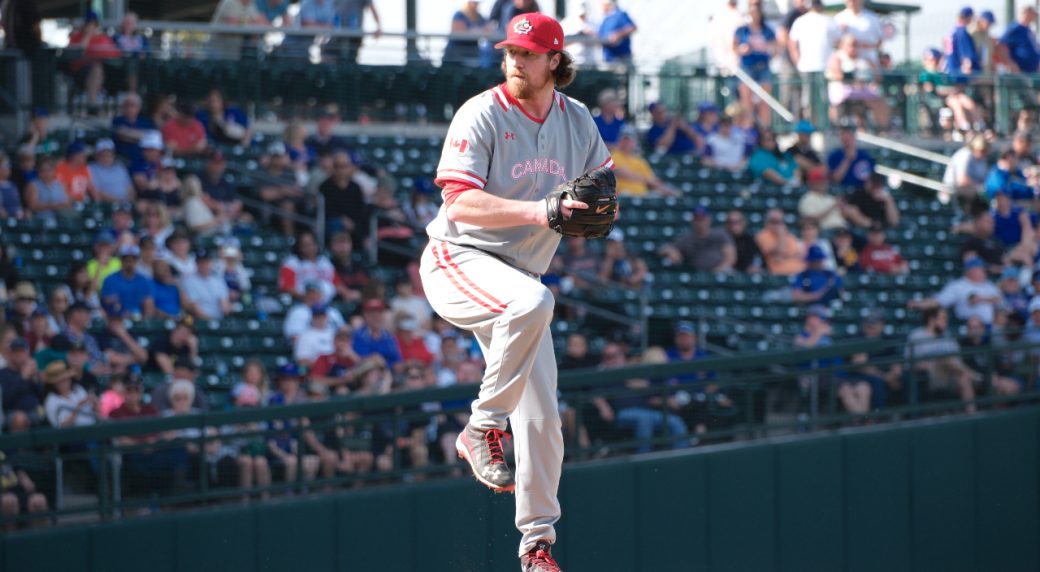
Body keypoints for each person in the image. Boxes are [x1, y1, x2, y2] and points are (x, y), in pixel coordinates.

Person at [418, 13, 614, 570]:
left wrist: (598, 205)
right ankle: (481, 427)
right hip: (459, 258)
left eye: (527, 53)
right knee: (534, 303)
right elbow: (459, 202)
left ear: (554, 59)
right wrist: (542, 210)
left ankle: (536, 546)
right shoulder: (481, 111)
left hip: (520, 279)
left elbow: (603, 182)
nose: (515, 60)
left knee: (544, 418)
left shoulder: (577, 119)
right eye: (510, 51)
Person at [906, 307, 980, 411]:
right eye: (943, 318)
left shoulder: (947, 336)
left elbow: (957, 361)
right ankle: (976, 377)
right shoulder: (917, 336)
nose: (946, 322)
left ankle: (972, 415)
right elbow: (909, 364)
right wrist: (930, 364)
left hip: (950, 376)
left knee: (963, 379)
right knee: (944, 359)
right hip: (929, 377)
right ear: (932, 320)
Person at [909, 258, 1001, 326]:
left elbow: (999, 299)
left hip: (990, 326)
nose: (984, 271)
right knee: (974, 323)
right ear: (971, 270)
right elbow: (939, 301)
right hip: (967, 325)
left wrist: (981, 299)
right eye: (981, 269)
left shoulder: (989, 285)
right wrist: (919, 304)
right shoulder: (958, 286)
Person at [825, 35, 890, 129]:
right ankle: (835, 127)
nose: (853, 47)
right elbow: (836, 75)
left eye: (856, 45)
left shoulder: (865, 58)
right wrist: (853, 81)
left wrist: (872, 83)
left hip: (863, 89)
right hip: (843, 89)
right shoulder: (837, 56)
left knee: (879, 101)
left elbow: (877, 76)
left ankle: (882, 128)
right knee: (837, 102)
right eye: (850, 45)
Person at [788, 0, 838, 117]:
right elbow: (792, 44)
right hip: (810, 67)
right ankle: (813, 124)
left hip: (823, 67)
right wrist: (799, 62)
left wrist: (798, 63)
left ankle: (820, 124)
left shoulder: (827, 21)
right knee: (811, 100)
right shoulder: (802, 21)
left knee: (821, 100)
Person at [67, 11, 120, 113]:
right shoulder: (76, 37)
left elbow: (115, 54)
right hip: (80, 72)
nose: (90, 27)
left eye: (93, 24)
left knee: (99, 68)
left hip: (105, 73)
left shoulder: (103, 38)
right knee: (96, 69)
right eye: (88, 24)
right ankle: (92, 105)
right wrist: (87, 37)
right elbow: (75, 53)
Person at [734, 2, 777, 126]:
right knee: (747, 101)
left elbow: (775, 49)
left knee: (765, 100)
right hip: (747, 67)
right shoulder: (742, 30)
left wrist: (766, 49)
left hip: (763, 66)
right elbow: (734, 47)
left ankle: (764, 127)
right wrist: (742, 50)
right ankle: (747, 126)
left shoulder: (767, 30)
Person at [658, 207, 735, 273]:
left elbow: (731, 257)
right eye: (697, 219)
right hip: (697, 275)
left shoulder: (720, 234)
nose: (700, 222)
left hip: (721, 272)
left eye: (702, 219)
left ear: (709, 219)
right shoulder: (687, 239)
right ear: (693, 221)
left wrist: (719, 270)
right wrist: (670, 251)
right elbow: (663, 249)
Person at [611, 127, 678, 197]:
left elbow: (653, 180)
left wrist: (667, 190)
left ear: (634, 142)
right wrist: (646, 179)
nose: (626, 143)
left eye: (628, 141)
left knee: (660, 194)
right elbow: (624, 173)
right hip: (623, 194)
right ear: (619, 141)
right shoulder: (615, 155)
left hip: (643, 194)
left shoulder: (640, 161)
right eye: (624, 140)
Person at [319, 151, 368, 243]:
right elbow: (324, 210)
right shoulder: (325, 186)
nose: (341, 170)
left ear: (350, 168)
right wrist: (342, 220)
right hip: (332, 223)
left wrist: (353, 223)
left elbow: (360, 210)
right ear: (333, 168)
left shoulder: (355, 187)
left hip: (353, 223)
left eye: (344, 166)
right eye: (338, 167)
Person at [279, 230, 338, 303]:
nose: (309, 248)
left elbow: (337, 283)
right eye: (305, 245)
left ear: (316, 245)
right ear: (299, 247)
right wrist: (307, 298)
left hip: (326, 303)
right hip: (301, 303)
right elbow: (287, 287)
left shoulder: (324, 261)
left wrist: (347, 294)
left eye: (311, 244)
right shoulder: (291, 262)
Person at [100, 244, 154, 318]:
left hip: (139, 318)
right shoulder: (110, 279)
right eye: (126, 260)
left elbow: (149, 303)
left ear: (137, 261)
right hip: (117, 318)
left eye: (133, 260)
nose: (129, 263)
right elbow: (107, 302)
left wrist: (145, 319)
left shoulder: (144, 281)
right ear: (121, 260)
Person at [42, 361, 96, 429]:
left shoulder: (78, 389)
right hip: (73, 434)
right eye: (61, 380)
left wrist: (95, 403)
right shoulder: (51, 401)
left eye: (67, 378)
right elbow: (62, 427)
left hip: (92, 429)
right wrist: (77, 408)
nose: (65, 382)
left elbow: (94, 412)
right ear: (54, 384)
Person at [181, 249, 232, 320]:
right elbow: (194, 307)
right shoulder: (189, 281)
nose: (204, 265)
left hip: (220, 320)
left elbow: (224, 303)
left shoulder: (218, 280)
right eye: (201, 262)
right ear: (196, 263)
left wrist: (227, 309)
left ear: (211, 263)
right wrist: (211, 321)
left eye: (207, 262)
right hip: (200, 320)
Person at [943, 135, 990, 210]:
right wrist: (979, 187)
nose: (983, 153)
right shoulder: (965, 155)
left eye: (985, 151)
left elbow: (985, 178)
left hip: (970, 191)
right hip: (954, 191)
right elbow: (962, 181)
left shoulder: (981, 160)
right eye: (981, 150)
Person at [756, 208, 806, 276]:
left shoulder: (789, 236)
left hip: (799, 271)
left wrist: (785, 256)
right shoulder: (763, 235)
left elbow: (798, 254)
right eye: (773, 221)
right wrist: (781, 235)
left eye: (779, 222)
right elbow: (779, 252)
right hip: (779, 274)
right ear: (767, 222)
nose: (777, 225)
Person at [833, 0, 884, 65]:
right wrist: (846, 45)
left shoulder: (872, 18)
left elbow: (880, 41)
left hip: (868, 63)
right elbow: (833, 43)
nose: (851, 1)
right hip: (845, 64)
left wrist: (864, 46)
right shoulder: (838, 18)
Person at [798, 166, 848, 231]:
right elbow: (812, 221)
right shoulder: (807, 199)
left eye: (825, 181)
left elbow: (843, 216)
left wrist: (844, 209)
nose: (824, 183)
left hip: (843, 229)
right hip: (826, 231)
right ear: (812, 183)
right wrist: (832, 206)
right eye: (820, 181)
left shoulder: (831, 198)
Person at [827, 124, 875, 189]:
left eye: (849, 137)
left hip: (861, 190)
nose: (847, 141)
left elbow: (869, 179)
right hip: (842, 190)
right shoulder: (834, 155)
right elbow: (836, 179)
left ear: (853, 137)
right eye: (844, 138)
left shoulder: (865, 156)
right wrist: (847, 159)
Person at [335, 0, 382, 64]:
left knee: (351, 61)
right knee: (336, 60)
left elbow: (372, 8)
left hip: (354, 36)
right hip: (337, 34)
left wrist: (378, 27)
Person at [111, 94, 156, 162]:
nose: (129, 108)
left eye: (132, 105)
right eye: (126, 105)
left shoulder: (146, 122)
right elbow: (121, 135)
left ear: (139, 107)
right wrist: (141, 135)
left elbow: (151, 137)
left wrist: (129, 133)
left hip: (143, 158)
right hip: (123, 158)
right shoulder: (117, 120)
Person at [443, 1, 489, 66]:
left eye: (477, 3)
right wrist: (476, 31)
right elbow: (459, 31)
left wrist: (477, 31)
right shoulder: (459, 15)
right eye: (474, 3)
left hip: (471, 53)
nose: (476, 6)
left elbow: (488, 30)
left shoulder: (479, 17)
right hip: (455, 52)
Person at [89, 139, 135, 203]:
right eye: (103, 155)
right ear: (96, 156)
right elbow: (97, 192)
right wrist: (120, 202)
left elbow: (130, 188)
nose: (106, 158)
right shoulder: (92, 168)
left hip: (126, 203)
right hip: (107, 204)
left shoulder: (120, 167)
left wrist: (130, 201)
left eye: (109, 155)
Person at [998, 6, 1040, 74]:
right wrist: (1009, 63)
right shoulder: (1015, 28)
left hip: (1032, 72)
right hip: (1019, 73)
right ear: (1026, 13)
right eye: (1032, 14)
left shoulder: (1029, 30)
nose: (1034, 17)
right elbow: (1000, 46)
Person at [597, 0, 636, 66]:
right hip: (609, 59)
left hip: (622, 59)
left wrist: (618, 34)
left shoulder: (620, 15)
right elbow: (600, 36)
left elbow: (632, 27)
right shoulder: (606, 19)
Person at [945, 7, 980, 76]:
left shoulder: (952, 31)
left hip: (950, 69)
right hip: (959, 73)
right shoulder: (962, 32)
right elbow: (966, 57)